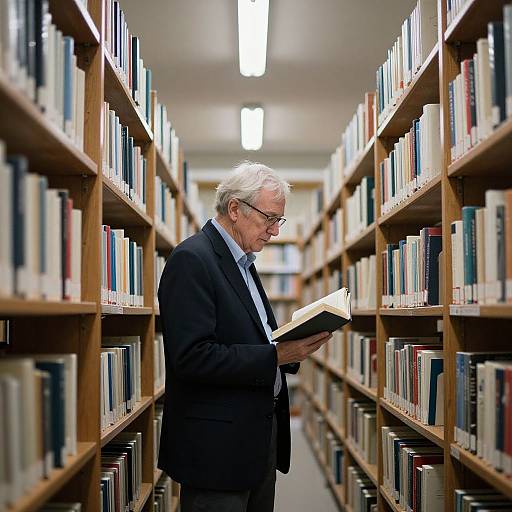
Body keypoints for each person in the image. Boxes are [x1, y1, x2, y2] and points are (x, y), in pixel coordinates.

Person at [157, 161, 332, 512]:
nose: (275, 231)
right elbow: (191, 357)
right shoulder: (192, 259)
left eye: (278, 221)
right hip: (217, 451)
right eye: (270, 219)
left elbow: (255, 335)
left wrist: (291, 344)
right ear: (235, 208)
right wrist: (277, 356)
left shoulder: (244, 262)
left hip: (257, 436)